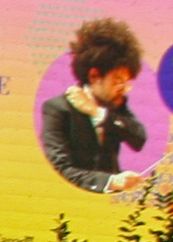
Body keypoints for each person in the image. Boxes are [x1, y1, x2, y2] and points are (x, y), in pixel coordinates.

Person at [41, 19, 150, 195]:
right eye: (117, 82)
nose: (123, 89)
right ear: (94, 75)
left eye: (126, 83)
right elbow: (61, 171)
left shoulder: (115, 103)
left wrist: (97, 112)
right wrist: (112, 181)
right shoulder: (57, 109)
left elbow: (139, 139)